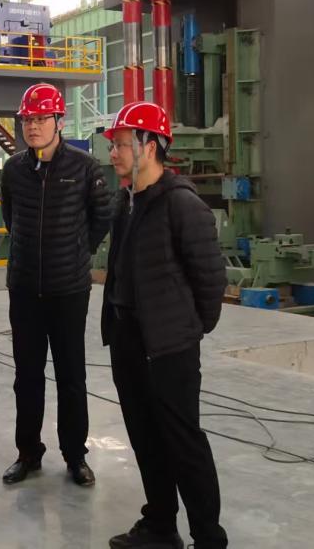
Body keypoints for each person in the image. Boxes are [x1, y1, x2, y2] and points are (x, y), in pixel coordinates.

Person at [101, 101, 228, 549]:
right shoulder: (126, 202)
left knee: (182, 442)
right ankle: (159, 525)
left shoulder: (182, 205)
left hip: (169, 346)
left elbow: (211, 280)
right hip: (128, 339)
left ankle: (209, 538)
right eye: (114, 145)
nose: (113, 153)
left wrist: (187, 330)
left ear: (149, 146)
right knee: (144, 436)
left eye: (121, 145)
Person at [0, 82, 112, 487]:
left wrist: (76, 252)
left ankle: (75, 455)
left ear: (59, 122)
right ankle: (28, 453)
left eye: (41, 118)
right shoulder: (14, 170)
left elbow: (101, 218)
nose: (33, 126)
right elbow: (11, 218)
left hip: (68, 290)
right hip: (25, 289)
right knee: (26, 376)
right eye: (27, 119)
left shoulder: (85, 168)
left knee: (71, 376)